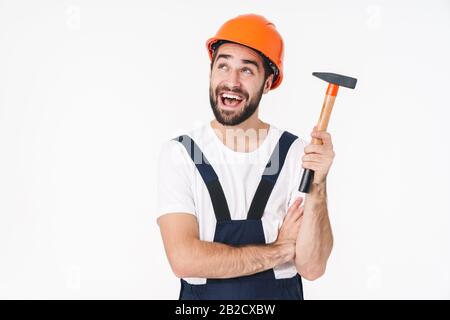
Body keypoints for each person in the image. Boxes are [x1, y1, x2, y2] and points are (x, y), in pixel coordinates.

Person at [156, 14, 334, 300]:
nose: (232, 81)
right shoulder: (180, 155)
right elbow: (184, 259)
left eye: (247, 71)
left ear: (268, 82)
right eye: (223, 65)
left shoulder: (297, 154)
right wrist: (281, 249)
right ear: (211, 72)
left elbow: (312, 267)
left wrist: (319, 184)